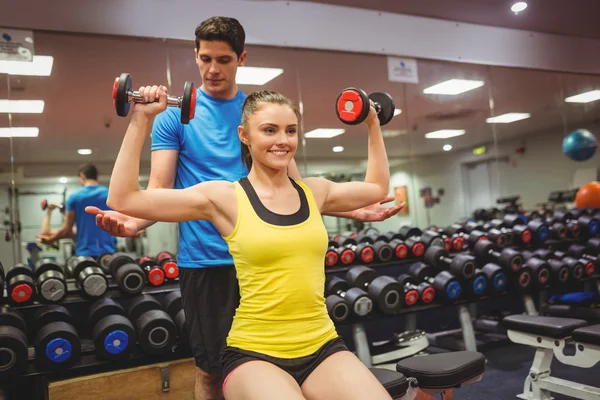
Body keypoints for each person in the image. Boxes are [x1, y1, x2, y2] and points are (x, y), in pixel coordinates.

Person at [86, 16, 402, 400]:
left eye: (223, 60)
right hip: (208, 259)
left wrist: (355, 208)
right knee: (210, 372)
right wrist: (135, 220)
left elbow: (295, 194)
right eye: (205, 59)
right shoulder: (180, 121)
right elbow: (153, 190)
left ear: (242, 59)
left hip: (282, 273)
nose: (213, 68)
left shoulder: (261, 111)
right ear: (245, 137)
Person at [40, 164, 116, 257]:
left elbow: (66, 229)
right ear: (96, 176)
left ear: (82, 176)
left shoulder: (75, 197)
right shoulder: (110, 195)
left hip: (85, 253)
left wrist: (51, 239)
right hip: (108, 253)